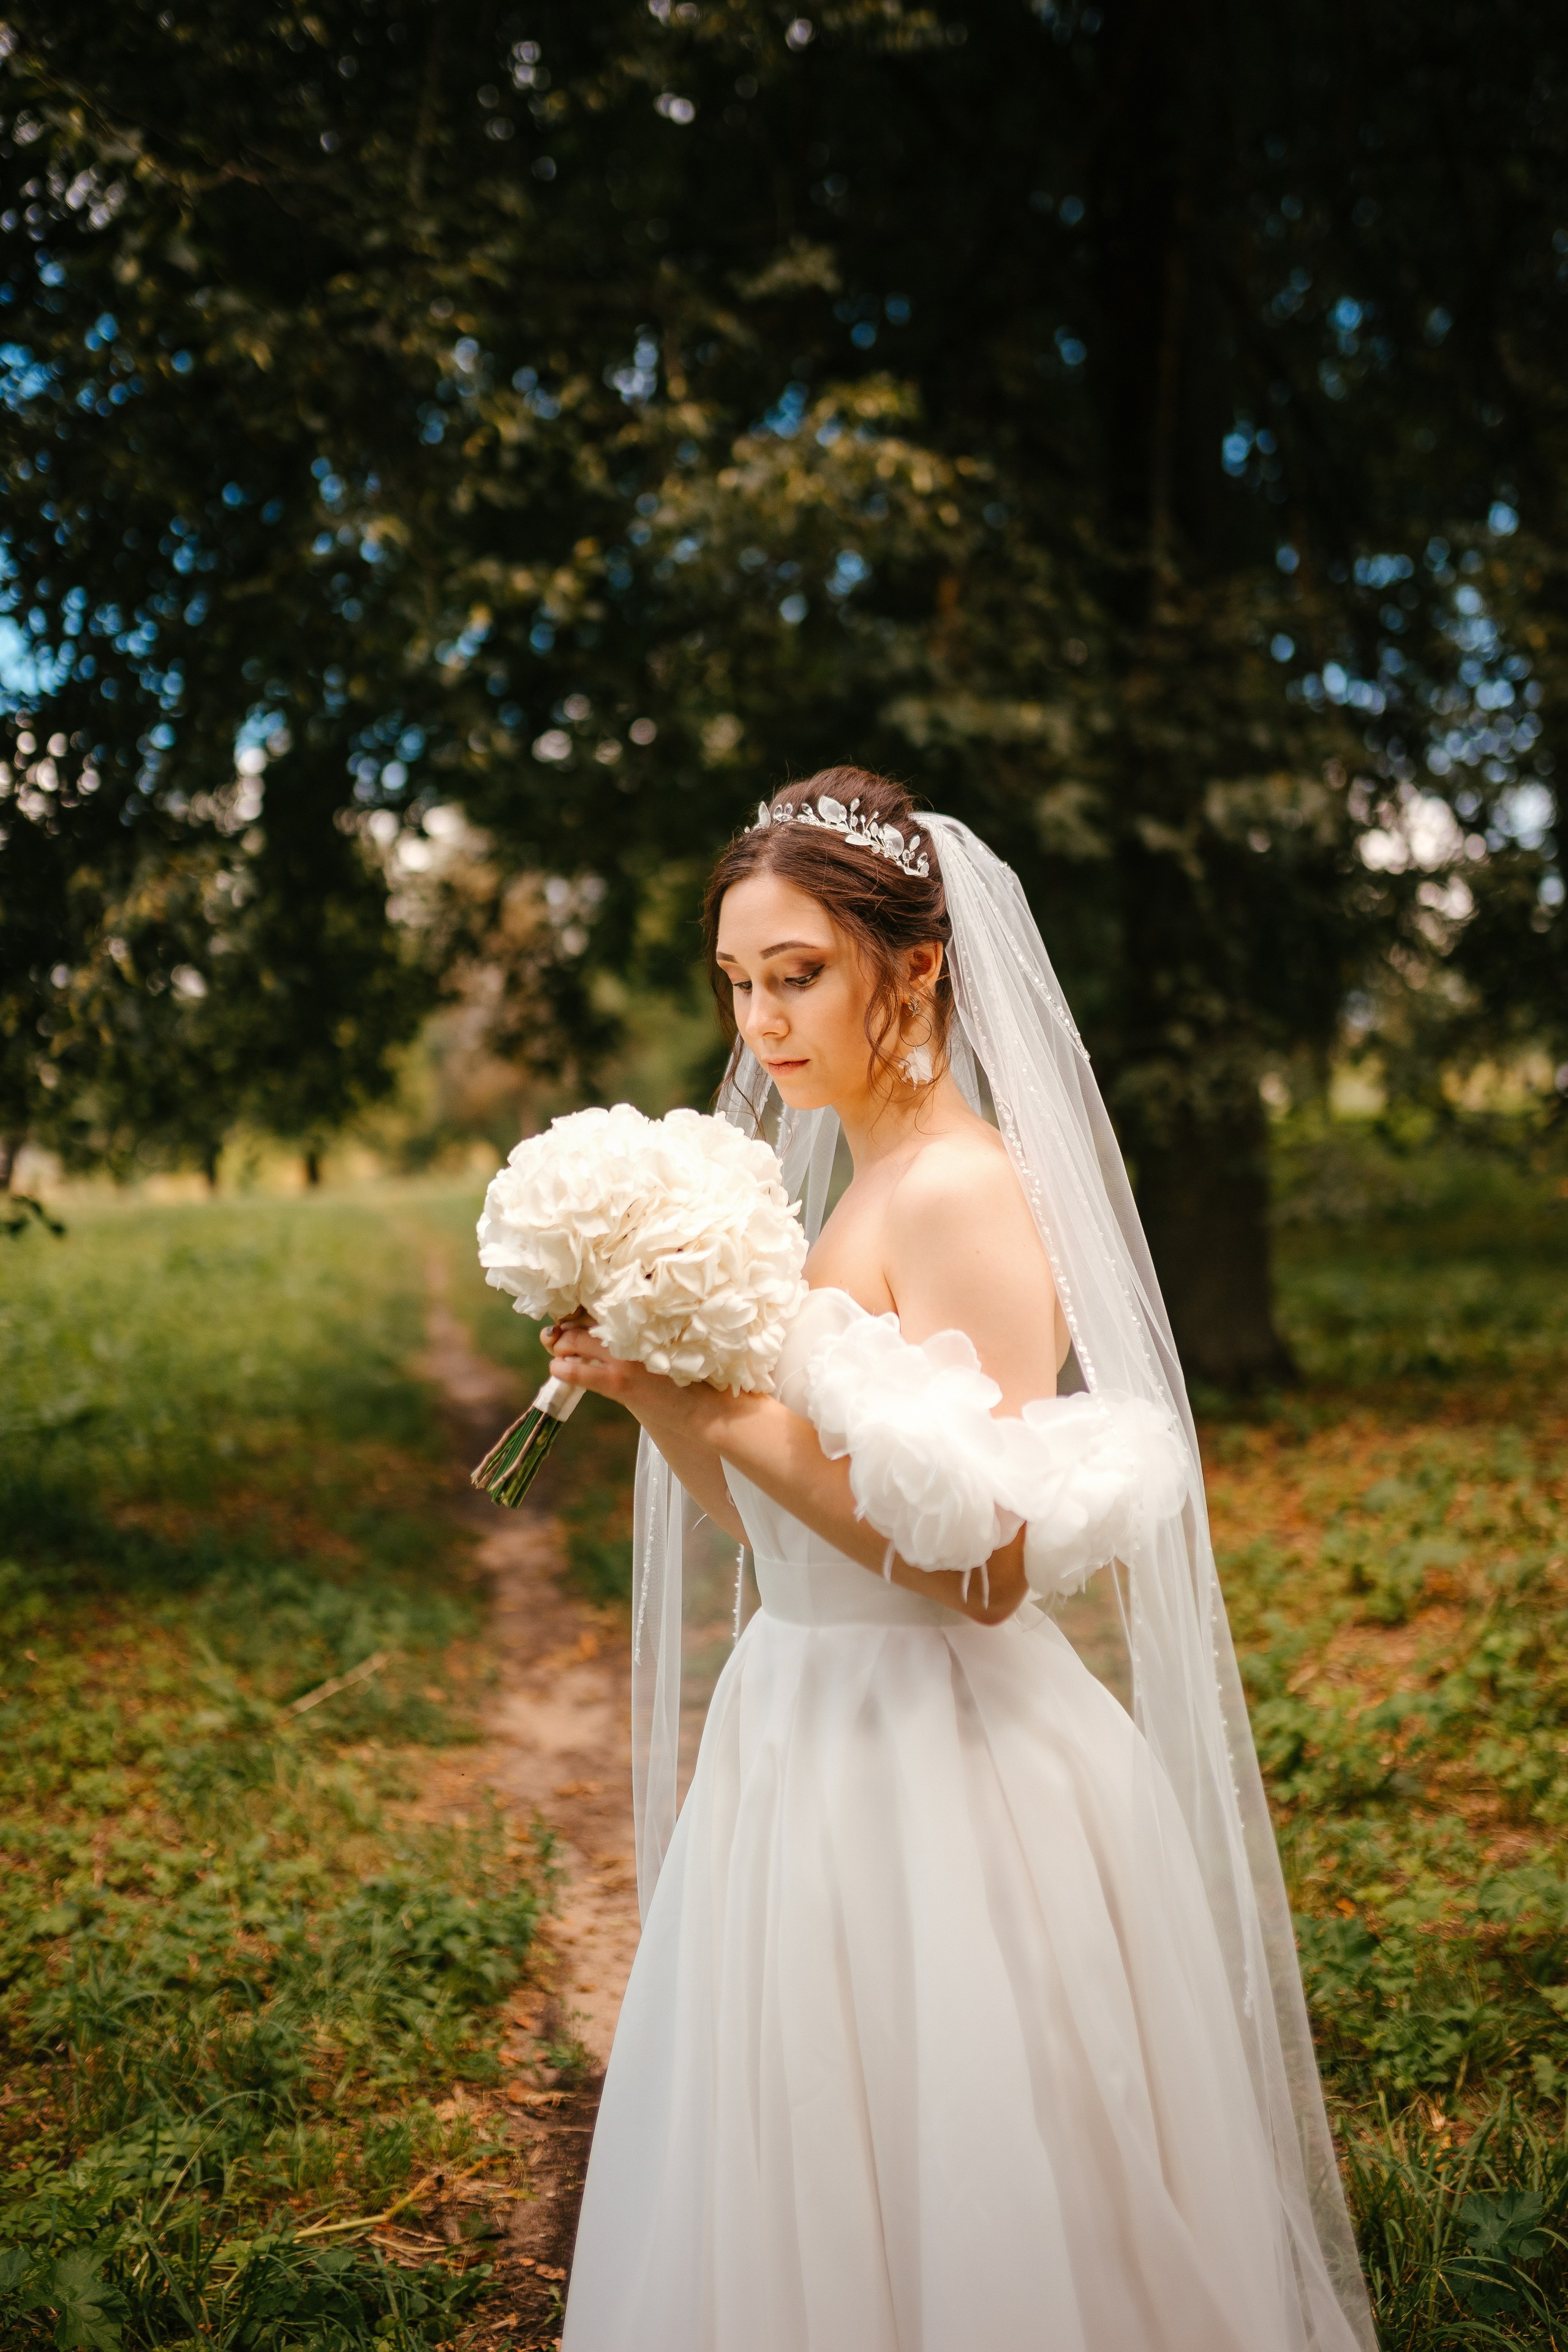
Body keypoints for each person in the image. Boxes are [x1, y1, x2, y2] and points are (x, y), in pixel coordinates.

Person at [546, 772, 1374, 2352]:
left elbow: (982, 1563)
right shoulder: (850, 1180)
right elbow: (790, 1538)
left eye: (799, 974)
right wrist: (660, 1396)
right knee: (807, 2154)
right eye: (738, 982)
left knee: (970, 2169)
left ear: (912, 967)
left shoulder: (961, 1192)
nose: (762, 1023)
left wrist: (732, 1399)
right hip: (807, 1711)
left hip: (941, 1758)